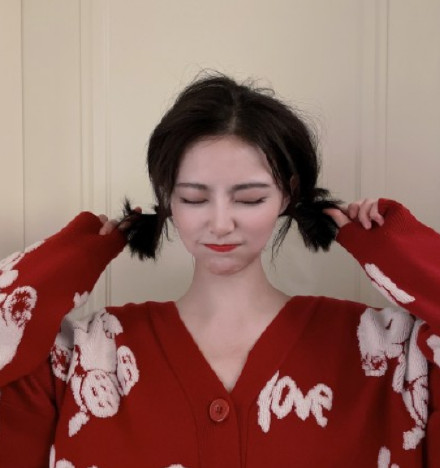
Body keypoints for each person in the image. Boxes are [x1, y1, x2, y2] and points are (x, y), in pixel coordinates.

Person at [0, 73, 439, 468]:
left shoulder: (393, 355)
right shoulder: (81, 359)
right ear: (167, 198)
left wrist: (397, 250)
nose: (221, 222)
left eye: (250, 199)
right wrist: (77, 254)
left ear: (287, 195)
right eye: (194, 198)